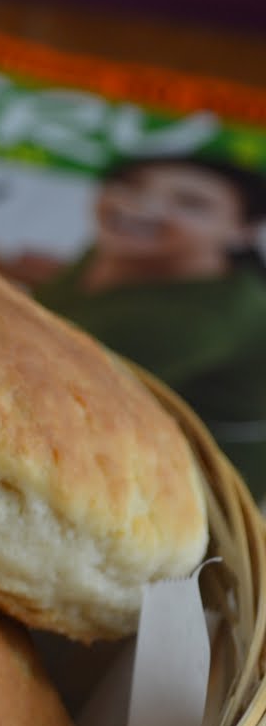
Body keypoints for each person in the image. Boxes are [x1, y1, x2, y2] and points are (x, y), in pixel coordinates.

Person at [25, 156, 266, 501]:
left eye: (190, 203)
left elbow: (44, 382)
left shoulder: (197, 320)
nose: (141, 206)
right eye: (132, 186)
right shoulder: (132, 247)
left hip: (197, 484)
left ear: (243, 230)